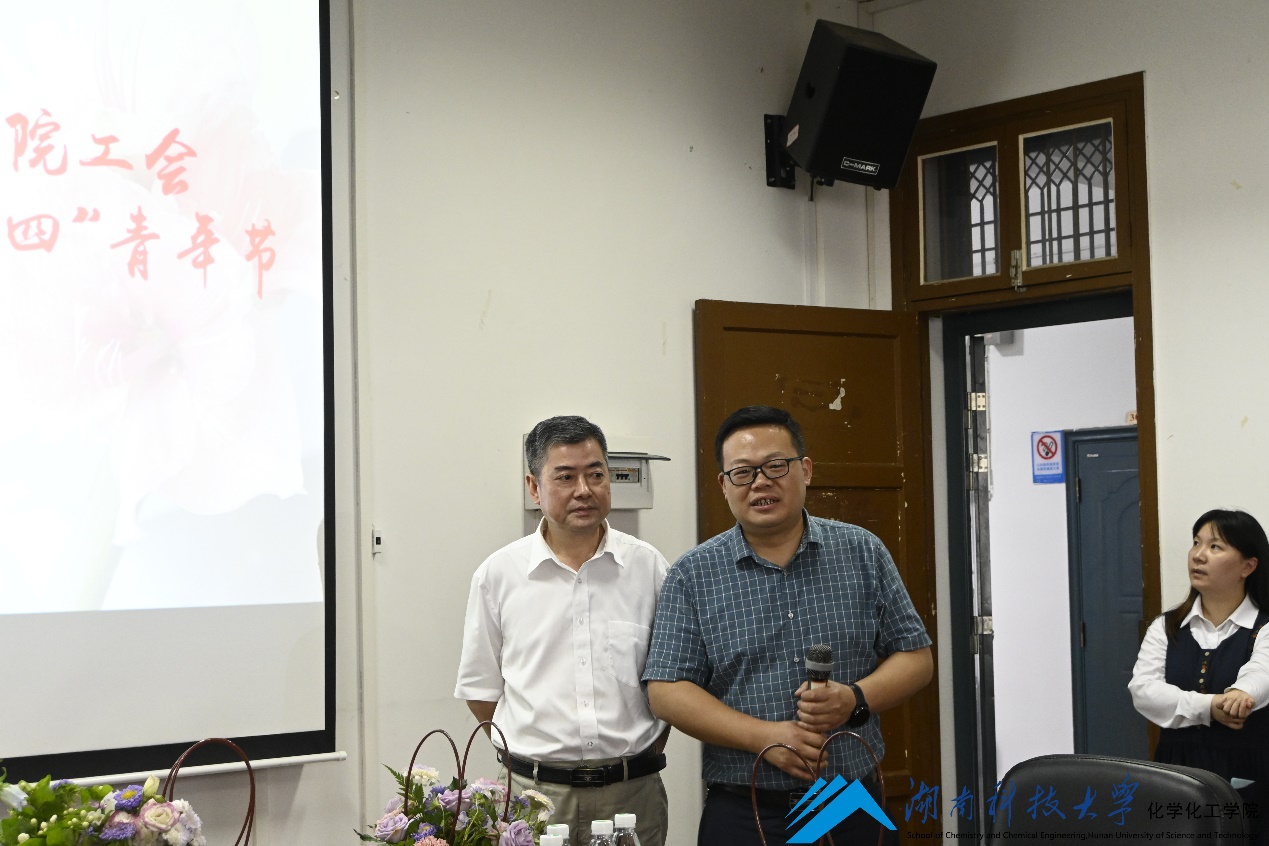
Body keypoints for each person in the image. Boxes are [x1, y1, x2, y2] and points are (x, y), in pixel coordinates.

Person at [642, 405, 933, 845]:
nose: (761, 482)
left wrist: (854, 699)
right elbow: (666, 690)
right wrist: (765, 738)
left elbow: (915, 657)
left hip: (848, 800)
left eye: (776, 466)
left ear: (806, 470)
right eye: (743, 472)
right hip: (746, 807)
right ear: (724, 485)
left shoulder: (862, 551)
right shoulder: (693, 574)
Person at [455, 415, 671, 846]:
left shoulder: (649, 568)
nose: (584, 490)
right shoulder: (499, 575)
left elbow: (671, 681)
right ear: (534, 487)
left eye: (596, 474)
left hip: (631, 793)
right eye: (566, 477)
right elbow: (481, 691)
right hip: (534, 797)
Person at [1129, 508, 1269, 842]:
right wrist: (1209, 707)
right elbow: (1144, 690)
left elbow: (1261, 672)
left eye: (1215, 546)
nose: (1198, 555)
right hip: (1176, 769)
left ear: (1248, 566)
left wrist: (1240, 695)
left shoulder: (1264, 627)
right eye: (1196, 543)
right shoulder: (1166, 626)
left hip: (1248, 770)